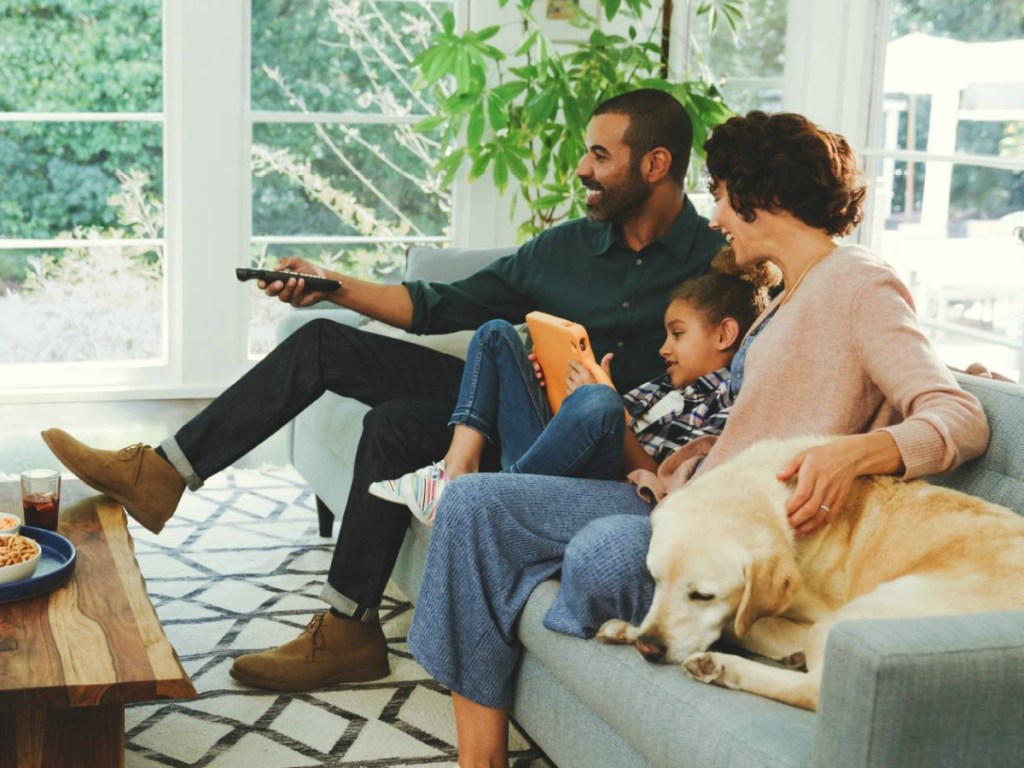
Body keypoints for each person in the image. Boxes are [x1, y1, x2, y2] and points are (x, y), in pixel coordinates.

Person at [38, 87, 725, 692]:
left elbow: (737, 385)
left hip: (587, 453)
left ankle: (343, 628)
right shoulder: (566, 247)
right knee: (323, 342)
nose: (582, 169)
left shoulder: (720, 264)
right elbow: (435, 305)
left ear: (655, 164)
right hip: (508, 414)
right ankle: (165, 477)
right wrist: (331, 287)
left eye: (600, 156)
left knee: (396, 424)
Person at [404, 110, 991, 767]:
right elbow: (746, 428)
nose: (713, 218)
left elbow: (957, 415)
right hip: (689, 502)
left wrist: (851, 455)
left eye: (720, 197)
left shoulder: (859, 283)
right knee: (476, 504)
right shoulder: (787, 296)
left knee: (527, 525)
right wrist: (675, 467)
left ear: (759, 197)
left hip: (741, 539)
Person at [370, 247, 780, 525]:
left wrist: (608, 409)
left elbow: (667, 487)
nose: (664, 348)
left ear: (725, 334)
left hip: (603, 493)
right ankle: (455, 476)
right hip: (555, 467)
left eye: (677, 334)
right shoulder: (659, 387)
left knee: (600, 402)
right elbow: (579, 440)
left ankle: (478, 497)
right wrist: (561, 395)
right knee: (495, 335)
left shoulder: (727, 400)